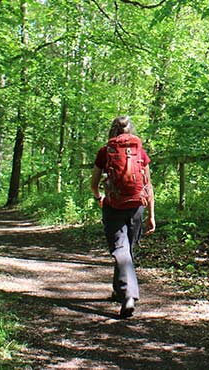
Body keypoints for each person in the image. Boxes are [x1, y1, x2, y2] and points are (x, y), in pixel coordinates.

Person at [90, 116, 156, 318]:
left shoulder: (105, 152)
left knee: (120, 249)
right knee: (127, 249)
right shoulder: (140, 153)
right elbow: (148, 185)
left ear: (112, 131)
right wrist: (151, 215)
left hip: (114, 205)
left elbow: (93, 183)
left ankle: (129, 295)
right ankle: (119, 291)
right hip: (137, 205)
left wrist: (99, 196)